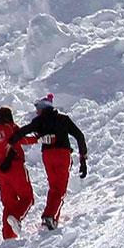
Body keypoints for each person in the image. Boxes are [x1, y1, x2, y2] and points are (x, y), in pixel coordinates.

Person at [16, 94, 89, 229]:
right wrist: (83, 158)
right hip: (62, 155)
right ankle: (50, 217)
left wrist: (11, 141)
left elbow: (23, 131)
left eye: (37, 107)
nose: (36, 110)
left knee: (54, 188)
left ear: (43, 108)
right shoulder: (63, 119)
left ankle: (50, 218)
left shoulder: (39, 121)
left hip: (48, 156)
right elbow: (79, 136)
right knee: (60, 189)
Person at [0, 106, 36, 239]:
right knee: (27, 198)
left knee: (9, 205)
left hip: (2, 173)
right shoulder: (11, 128)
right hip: (16, 167)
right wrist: (37, 139)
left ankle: (9, 236)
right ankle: (16, 217)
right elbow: (23, 139)